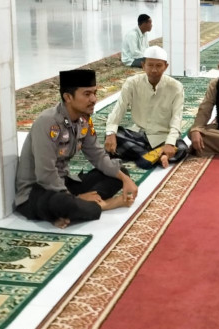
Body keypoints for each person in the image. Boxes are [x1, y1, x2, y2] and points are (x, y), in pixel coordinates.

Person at [15, 69, 138, 229]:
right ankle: (104, 205)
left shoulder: (83, 120)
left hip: (64, 183)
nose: (93, 99)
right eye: (87, 94)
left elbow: (98, 156)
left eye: (94, 93)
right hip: (38, 191)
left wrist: (126, 180)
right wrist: (76, 198)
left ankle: (73, 209)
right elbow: (45, 174)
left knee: (119, 172)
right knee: (61, 203)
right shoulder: (47, 123)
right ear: (68, 97)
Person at [105, 46, 188, 169]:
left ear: (166, 66)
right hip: (139, 135)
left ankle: (144, 156)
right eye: (150, 65)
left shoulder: (176, 87)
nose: (154, 70)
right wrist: (110, 133)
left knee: (182, 148)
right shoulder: (132, 83)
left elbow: (177, 118)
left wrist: (170, 143)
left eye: (159, 65)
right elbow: (119, 109)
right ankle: (156, 156)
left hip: (162, 137)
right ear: (143, 65)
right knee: (116, 135)